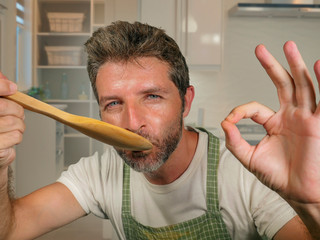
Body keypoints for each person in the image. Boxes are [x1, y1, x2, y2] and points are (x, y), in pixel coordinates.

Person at [0, 21, 319, 239]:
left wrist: (311, 205)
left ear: (185, 101)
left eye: (152, 97)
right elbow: (11, 229)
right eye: (113, 104)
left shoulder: (242, 174)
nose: (131, 121)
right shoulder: (101, 173)